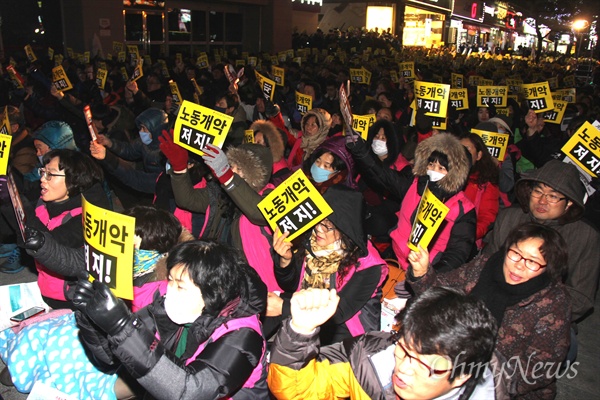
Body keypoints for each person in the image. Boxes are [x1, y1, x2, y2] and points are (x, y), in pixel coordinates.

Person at [72, 240, 269, 399]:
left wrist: (122, 326)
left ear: (215, 292)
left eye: (180, 286)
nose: (170, 290)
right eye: (170, 280)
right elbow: (112, 356)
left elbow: (191, 392)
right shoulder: (170, 302)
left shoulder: (243, 335)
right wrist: (91, 318)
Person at [407, 223, 571, 399]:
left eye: (532, 262)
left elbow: (539, 370)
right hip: (455, 356)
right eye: (515, 254)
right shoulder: (485, 265)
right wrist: (423, 273)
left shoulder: (553, 302)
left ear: (547, 267)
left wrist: (472, 377)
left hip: (508, 386)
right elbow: (443, 293)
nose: (519, 266)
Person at [268, 286, 498, 400]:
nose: (403, 368)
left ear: (461, 376)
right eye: (404, 349)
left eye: (426, 365)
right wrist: (300, 331)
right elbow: (298, 391)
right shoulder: (370, 356)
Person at [267, 184, 387, 344]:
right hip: (305, 311)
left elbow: (339, 313)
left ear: (346, 230)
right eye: (317, 221)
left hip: (344, 330)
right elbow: (290, 286)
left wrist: (283, 307)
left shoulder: (368, 267)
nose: (318, 230)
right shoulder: (311, 243)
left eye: (327, 226)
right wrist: (285, 260)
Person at [483, 160, 600, 323]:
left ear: (569, 203)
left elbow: (581, 298)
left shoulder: (585, 236)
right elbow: (484, 265)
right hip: (493, 303)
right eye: (538, 192)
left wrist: (530, 312)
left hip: (546, 318)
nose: (542, 201)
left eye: (552, 196)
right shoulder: (509, 218)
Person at [347, 132, 476, 271]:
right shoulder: (414, 184)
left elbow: (457, 253)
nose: (433, 171)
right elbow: (383, 175)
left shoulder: (463, 208)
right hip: (395, 259)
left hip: (426, 270)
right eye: (431, 164)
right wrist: (361, 149)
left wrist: (425, 277)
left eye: (441, 168)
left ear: (454, 173)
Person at [0, 149, 109, 305]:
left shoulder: (87, 216)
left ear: (74, 180)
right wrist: (6, 202)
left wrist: (17, 205)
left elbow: (51, 245)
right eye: (42, 172)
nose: (42, 179)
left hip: (76, 300)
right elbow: (8, 231)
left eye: (50, 174)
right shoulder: (45, 202)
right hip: (47, 290)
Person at [460, 133, 500, 250]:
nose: (462, 152)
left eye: (467, 148)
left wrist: (466, 234)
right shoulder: (445, 174)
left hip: (466, 243)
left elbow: (487, 218)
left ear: (478, 155)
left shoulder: (486, 183)